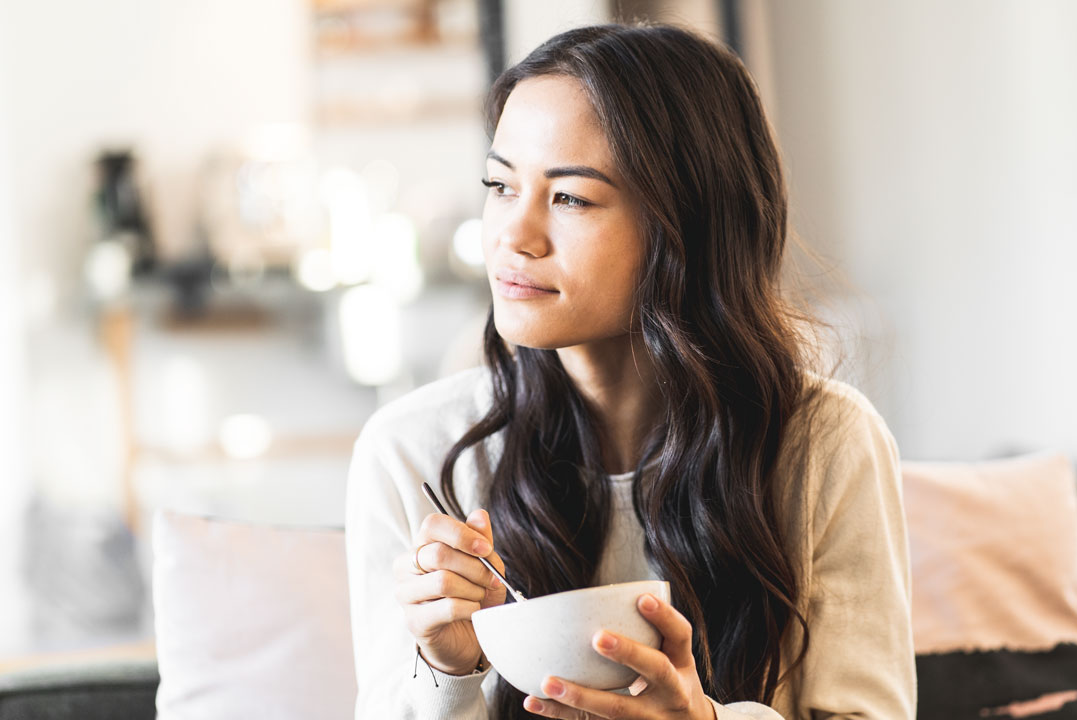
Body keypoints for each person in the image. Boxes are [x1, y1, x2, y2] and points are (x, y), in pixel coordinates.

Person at [345, 23, 915, 720]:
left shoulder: (825, 444)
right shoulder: (413, 451)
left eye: (570, 198)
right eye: (500, 185)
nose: (512, 236)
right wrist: (447, 666)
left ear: (687, 223)